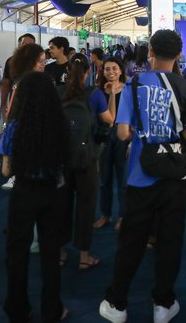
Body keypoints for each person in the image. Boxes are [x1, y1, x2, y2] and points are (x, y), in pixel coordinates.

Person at [99, 29, 186, 323]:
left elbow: (122, 133)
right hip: (176, 176)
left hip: (141, 174)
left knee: (132, 239)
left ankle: (117, 304)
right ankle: (163, 304)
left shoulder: (133, 84)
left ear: (151, 52)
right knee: (170, 239)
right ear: (179, 55)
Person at [0, 72, 70, 323]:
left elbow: (6, 170)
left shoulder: (14, 127)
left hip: (23, 193)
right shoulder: (61, 125)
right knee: (51, 255)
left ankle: (17, 310)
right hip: (53, 193)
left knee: (17, 254)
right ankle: (52, 310)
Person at [59, 54, 112, 272]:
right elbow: (108, 120)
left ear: (68, 70)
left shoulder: (58, 92)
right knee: (86, 205)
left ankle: (59, 253)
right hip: (87, 157)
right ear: (89, 71)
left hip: (61, 158)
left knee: (61, 205)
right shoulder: (94, 94)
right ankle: (84, 256)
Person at [1, 44, 49, 191]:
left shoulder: (28, 80)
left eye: (44, 61)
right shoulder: (25, 82)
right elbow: (16, 111)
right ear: (29, 61)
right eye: (40, 61)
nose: (43, 64)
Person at [94, 58, 129, 231]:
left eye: (114, 68)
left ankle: (123, 216)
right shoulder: (98, 91)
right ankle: (105, 214)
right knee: (104, 179)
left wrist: (132, 141)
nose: (111, 72)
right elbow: (104, 118)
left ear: (121, 70)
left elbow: (134, 115)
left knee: (123, 179)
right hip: (104, 137)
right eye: (107, 69)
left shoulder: (128, 90)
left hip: (123, 137)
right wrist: (112, 93)